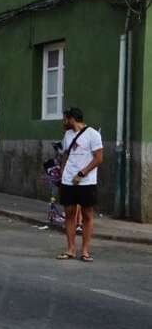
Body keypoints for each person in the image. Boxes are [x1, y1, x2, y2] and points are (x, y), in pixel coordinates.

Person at [57, 107, 103, 262]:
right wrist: (62, 173)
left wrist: (82, 173)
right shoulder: (67, 135)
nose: (63, 122)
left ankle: (85, 251)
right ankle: (70, 249)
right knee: (69, 213)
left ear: (72, 119)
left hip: (86, 182)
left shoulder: (93, 134)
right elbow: (65, 154)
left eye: (65, 119)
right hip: (68, 181)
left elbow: (98, 158)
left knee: (87, 215)